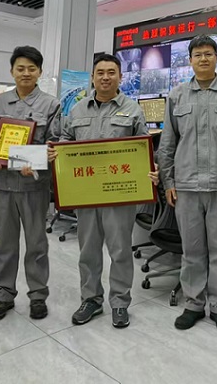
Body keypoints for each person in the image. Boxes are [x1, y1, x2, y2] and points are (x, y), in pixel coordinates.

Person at [157, 34, 217, 333]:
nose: (203, 59)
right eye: (197, 54)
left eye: (208, 53)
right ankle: (194, 304)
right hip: (186, 185)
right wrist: (168, 181)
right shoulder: (177, 96)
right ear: (190, 60)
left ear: (216, 58)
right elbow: (167, 144)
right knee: (192, 250)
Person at [57, 53, 154, 329]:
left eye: (111, 72)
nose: (105, 77)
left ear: (120, 77)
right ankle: (91, 299)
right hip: (86, 194)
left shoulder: (132, 110)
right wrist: (57, 155)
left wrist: (151, 168)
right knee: (88, 251)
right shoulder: (77, 110)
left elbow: (144, 147)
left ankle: (120, 302)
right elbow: (65, 141)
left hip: (118, 195)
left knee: (120, 250)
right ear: (92, 77)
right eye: (100, 72)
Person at [0, 46, 61, 322]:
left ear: (39, 72)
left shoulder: (51, 105)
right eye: (20, 68)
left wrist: (37, 161)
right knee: (5, 243)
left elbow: (54, 144)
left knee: (37, 243)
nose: (26, 73)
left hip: (33, 186)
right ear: (12, 71)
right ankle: (3, 294)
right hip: (2, 184)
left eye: (31, 68)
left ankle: (38, 295)